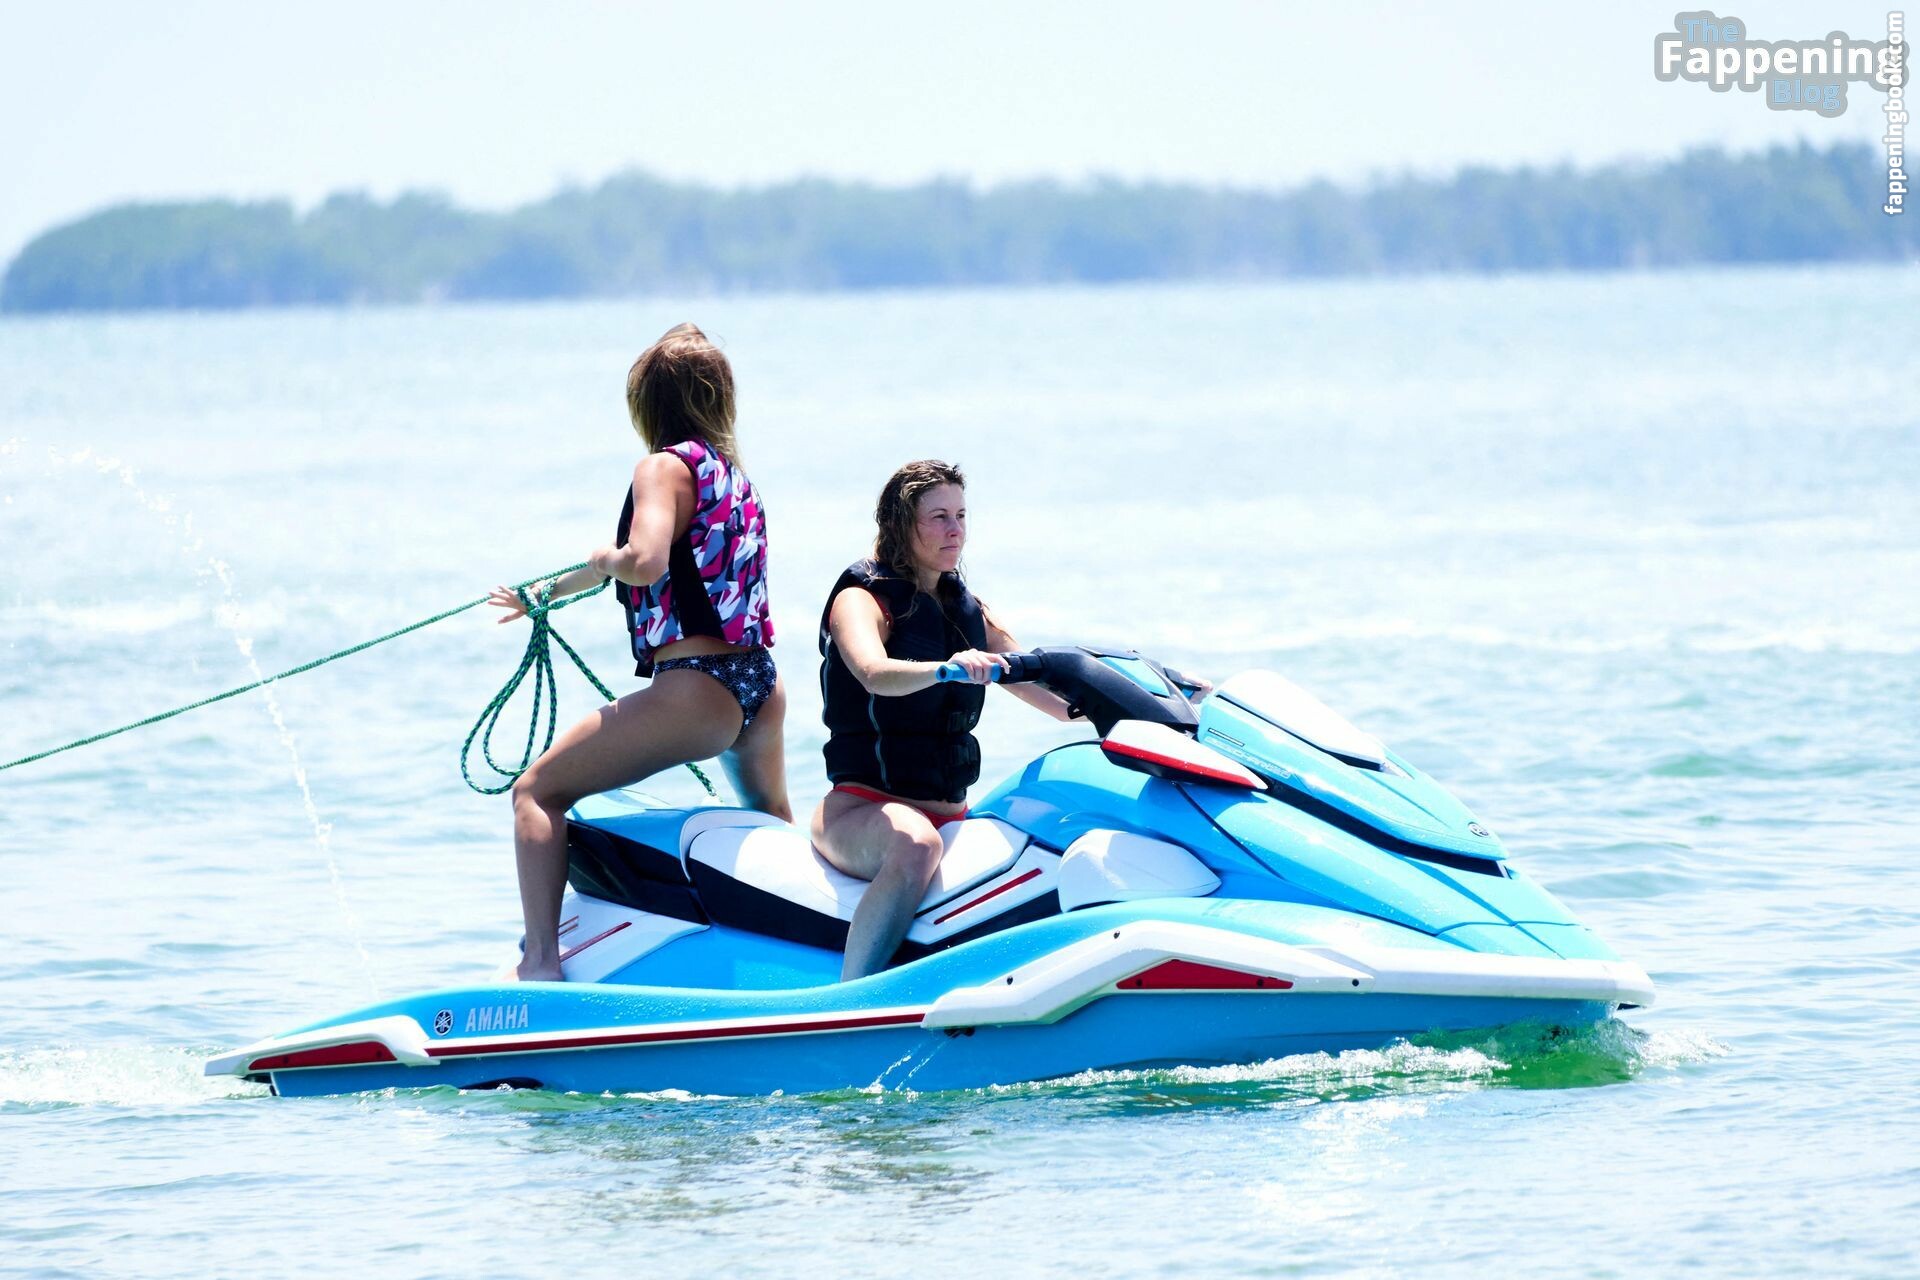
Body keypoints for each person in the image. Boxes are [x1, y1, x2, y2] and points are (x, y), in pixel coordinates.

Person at [489, 323, 790, 982]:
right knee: (772, 822)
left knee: (536, 793)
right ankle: (818, 951)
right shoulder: (731, 476)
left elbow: (643, 561)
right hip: (758, 685)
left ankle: (540, 963)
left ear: (649, 404)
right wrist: (545, 593)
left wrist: (608, 557)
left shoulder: (660, 467)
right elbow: (655, 563)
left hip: (696, 689)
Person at [812, 460, 1074, 980]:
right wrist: (944, 669)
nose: (955, 530)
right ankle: (849, 995)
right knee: (916, 845)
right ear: (900, 524)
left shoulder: (967, 609)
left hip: (953, 812)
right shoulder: (860, 600)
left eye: (961, 515)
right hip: (861, 810)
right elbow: (873, 673)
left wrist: (1150, 698)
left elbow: (1052, 696)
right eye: (938, 517)